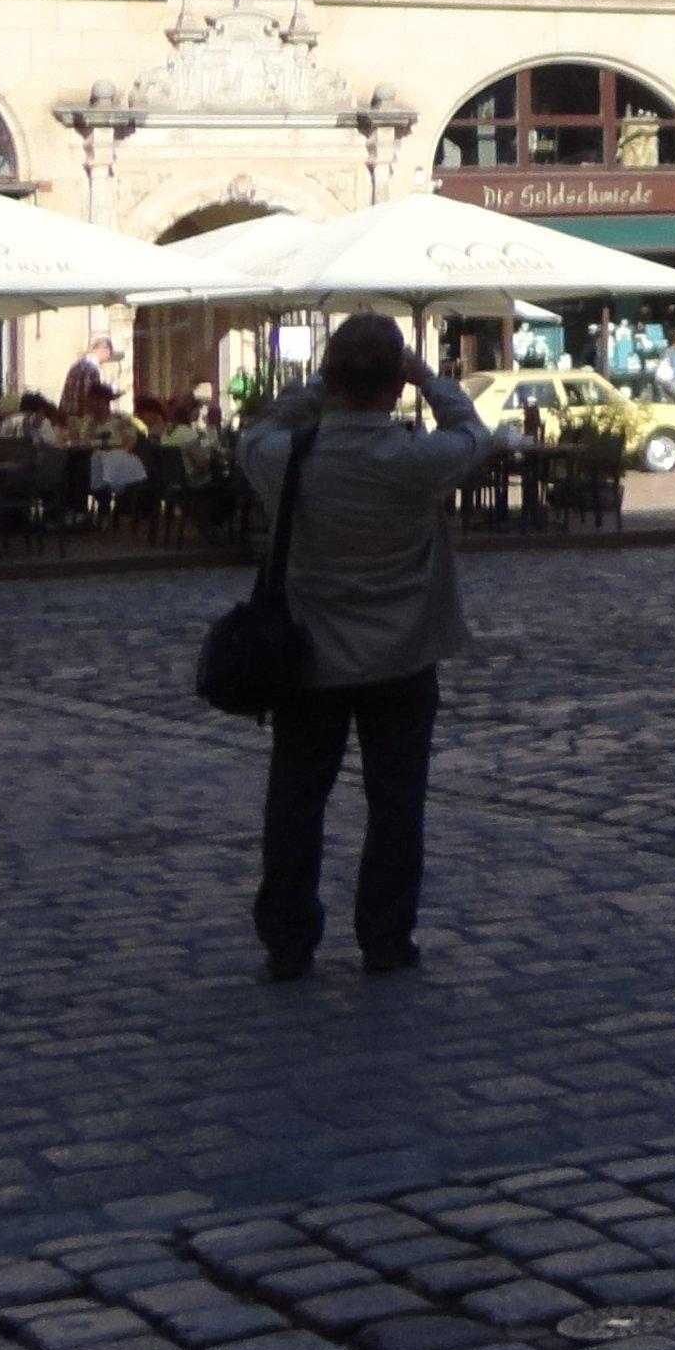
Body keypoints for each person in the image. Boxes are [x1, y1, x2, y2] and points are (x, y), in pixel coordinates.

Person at [237, 312, 490, 982]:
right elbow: (471, 433)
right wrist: (431, 378)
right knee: (397, 803)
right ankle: (385, 937)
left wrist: (313, 387)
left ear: (333, 378)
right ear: (394, 387)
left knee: (296, 801)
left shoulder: (286, 458)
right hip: (402, 656)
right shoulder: (415, 461)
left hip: (310, 656)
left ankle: (289, 941)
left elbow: (254, 431)